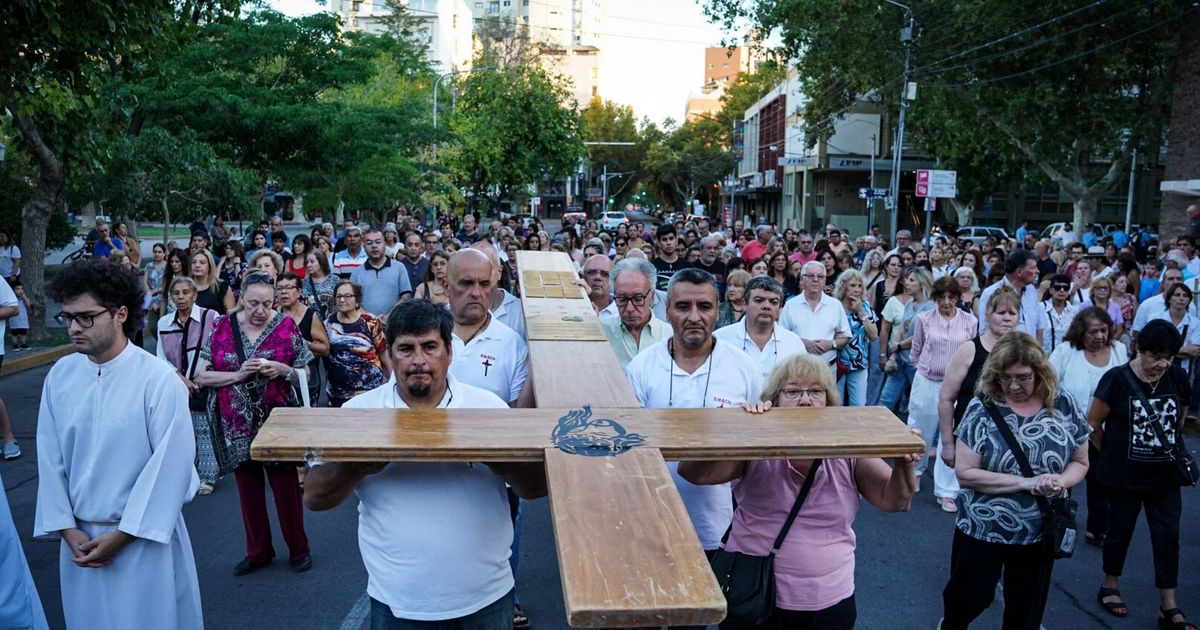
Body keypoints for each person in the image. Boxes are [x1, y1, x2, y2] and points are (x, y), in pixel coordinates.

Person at [303, 300, 546, 629]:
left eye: (430, 346)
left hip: (487, 598)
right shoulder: (358, 412)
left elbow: (533, 488)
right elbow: (315, 498)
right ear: (389, 354)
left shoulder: (488, 408)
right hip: (398, 603)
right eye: (406, 348)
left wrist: (499, 457)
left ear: (449, 351)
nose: (418, 360)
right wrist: (355, 465)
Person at [679, 353, 922, 630]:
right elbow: (694, 474)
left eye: (816, 391)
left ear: (829, 401)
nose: (806, 399)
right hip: (754, 595)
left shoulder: (849, 448)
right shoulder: (755, 444)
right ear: (774, 399)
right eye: (793, 391)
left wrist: (904, 463)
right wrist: (733, 428)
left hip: (829, 600)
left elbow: (895, 500)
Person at [36, 260, 203, 629]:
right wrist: (66, 528)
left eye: (86, 317)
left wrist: (125, 534)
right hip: (79, 541)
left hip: (143, 540)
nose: (74, 328)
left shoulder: (158, 380)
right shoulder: (61, 375)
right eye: (67, 318)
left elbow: (171, 467)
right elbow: (49, 459)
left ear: (120, 313)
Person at [941, 331, 1090, 630]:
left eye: (1022, 377)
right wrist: (1027, 483)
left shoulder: (1062, 403)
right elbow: (966, 473)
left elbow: (1080, 460)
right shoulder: (981, 406)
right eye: (1005, 377)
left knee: (1025, 614)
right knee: (969, 599)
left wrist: (1060, 482)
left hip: (1038, 529)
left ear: (1040, 371)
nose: (1013, 386)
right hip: (984, 526)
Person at [625, 268, 760, 561]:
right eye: (683, 307)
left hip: (719, 528)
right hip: (652, 524)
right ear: (667, 310)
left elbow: (755, 448)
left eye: (705, 306)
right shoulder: (642, 367)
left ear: (717, 310)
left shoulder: (744, 367)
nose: (694, 317)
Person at [193, 272, 313, 575]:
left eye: (267, 303)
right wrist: (238, 375)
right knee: (248, 491)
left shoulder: (285, 325)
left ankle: (299, 548)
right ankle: (258, 551)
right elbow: (202, 375)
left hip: (277, 422)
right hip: (236, 424)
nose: (260, 310)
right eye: (253, 303)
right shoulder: (221, 326)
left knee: (285, 489)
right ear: (240, 297)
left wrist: (282, 369)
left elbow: (306, 372)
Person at [1088, 319, 1194, 630]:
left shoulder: (1176, 378)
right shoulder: (1117, 380)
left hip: (1164, 478)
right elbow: (1093, 423)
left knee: (1167, 537)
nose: (1162, 364)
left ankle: (1168, 604)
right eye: (1155, 356)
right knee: (1118, 532)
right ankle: (1110, 584)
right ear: (1139, 349)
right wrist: (1112, 453)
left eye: (1169, 357)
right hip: (1124, 477)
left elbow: (1179, 421)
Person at [1047, 306, 1125, 546]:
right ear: (1081, 332)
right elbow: (1048, 385)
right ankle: (1056, 522)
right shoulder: (1066, 351)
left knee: (1101, 480)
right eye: (1093, 332)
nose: (1099, 336)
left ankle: (1098, 528)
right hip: (1068, 429)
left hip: (1105, 429)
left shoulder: (1119, 350)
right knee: (1063, 479)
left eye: (1104, 330)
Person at [907, 277, 978, 512]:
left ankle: (947, 490)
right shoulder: (924, 319)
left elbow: (971, 352)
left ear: (958, 298)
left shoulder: (970, 321)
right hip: (927, 381)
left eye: (951, 297)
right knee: (920, 429)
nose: (946, 302)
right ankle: (915, 472)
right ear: (935, 298)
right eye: (942, 297)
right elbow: (916, 351)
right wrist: (927, 370)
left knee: (951, 435)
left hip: (957, 385)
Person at [156, 277, 220, 494]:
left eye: (186, 292)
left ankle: (208, 477)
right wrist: (182, 380)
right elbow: (161, 358)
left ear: (194, 294)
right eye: (176, 293)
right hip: (176, 384)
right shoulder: (164, 323)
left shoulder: (211, 317)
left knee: (204, 429)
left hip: (204, 383)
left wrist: (201, 378)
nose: (181, 297)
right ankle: (186, 475)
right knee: (180, 430)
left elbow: (217, 349)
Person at [443, 249, 530, 406]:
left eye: (484, 284)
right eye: (467, 283)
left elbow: (517, 413)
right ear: (446, 286)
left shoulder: (514, 345)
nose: (476, 293)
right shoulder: (422, 334)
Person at [714, 276, 807, 381]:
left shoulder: (793, 342)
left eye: (773, 302)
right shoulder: (721, 339)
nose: (766, 306)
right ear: (745, 303)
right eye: (759, 300)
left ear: (780, 307)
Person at [325, 280, 390, 407]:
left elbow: (384, 353)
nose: (342, 300)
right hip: (339, 393)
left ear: (357, 301)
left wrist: (392, 382)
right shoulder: (328, 324)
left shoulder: (370, 322)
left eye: (347, 296)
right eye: (338, 296)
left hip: (370, 392)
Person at [877, 267, 934, 410]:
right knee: (885, 402)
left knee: (919, 405)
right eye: (907, 280)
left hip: (918, 365)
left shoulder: (931, 307)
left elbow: (923, 336)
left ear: (921, 284)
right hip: (901, 361)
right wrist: (893, 355)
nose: (906, 283)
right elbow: (902, 330)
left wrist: (900, 345)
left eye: (911, 280)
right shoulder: (909, 303)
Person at [601, 257, 672, 370]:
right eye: (622, 299)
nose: (629, 308)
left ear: (652, 296)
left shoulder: (670, 337)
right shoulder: (601, 331)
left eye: (638, 299)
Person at [780, 261, 851, 369]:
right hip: (798, 368)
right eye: (811, 275)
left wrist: (831, 344)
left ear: (825, 280)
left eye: (820, 276)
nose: (815, 279)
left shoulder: (835, 305)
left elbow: (846, 336)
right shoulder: (790, 305)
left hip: (828, 368)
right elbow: (781, 335)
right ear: (802, 279)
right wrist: (802, 343)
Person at [276, 273, 330, 406]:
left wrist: (302, 342)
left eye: (289, 287)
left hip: (306, 378)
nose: (283, 292)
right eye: (279, 288)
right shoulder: (272, 314)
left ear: (299, 292)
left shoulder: (310, 316)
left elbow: (325, 349)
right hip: (278, 377)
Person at [977, 249, 1045, 344]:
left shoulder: (1031, 290)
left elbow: (1039, 327)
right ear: (1019, 272)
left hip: (1030, 354)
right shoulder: (990, 293)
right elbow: (984, 330)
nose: (1037, 271)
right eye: (1033, 268)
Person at [351, 230, 413, 317]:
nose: (374, 246)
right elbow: (353, 300)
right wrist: (370, 318)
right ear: (363, 246)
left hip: (394, 323)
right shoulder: (357, 273)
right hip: (364, 324)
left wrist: (389, 316)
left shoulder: (399, 267)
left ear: (385, 244)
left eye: (378, 242)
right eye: (369, 243)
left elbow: (406, 296)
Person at [1148, 282, 1200, 373]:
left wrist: (1162, 351)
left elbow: (1195, 351)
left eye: (1185, 295)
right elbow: (1151, 348)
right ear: (1169, 299)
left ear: (1189, 300)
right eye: (1177, 295)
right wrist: (1184, 350)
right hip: (1156, 370)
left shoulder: (1195, 323)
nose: (1181, 298)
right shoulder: (1155, 319)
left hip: (1183, 372)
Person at [1039, 273, 1078, 354]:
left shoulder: (1074, 312)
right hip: (1044, 359)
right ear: (1050, 290)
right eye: (1057, 287)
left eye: (1065, 288)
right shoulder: (1041, 308)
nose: (1062, 290)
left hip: (1067, 358)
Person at [1080, 275, 1125, 340]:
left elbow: (1119, 330)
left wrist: (1109, 343)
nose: (1102, 290)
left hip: (1111, 341)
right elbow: (1079, 326)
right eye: (1099, 288)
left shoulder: (1115, 307)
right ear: (1093, 289)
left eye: (1105, 288)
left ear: (1110, 290)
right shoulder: (1084, 306)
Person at [190, 249, 235, 314]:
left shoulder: (222, 287)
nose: (197, 265)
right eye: (194, 262)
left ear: (210, 266)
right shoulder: (185, 286)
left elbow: (230, 317)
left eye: (202, 262)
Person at [302, 250, 337, 320]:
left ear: (321, 262)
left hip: (332, 323)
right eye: (307, 262)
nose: (308, 265)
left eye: (312, 262)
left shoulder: (335, 280)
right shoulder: (305, 283)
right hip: (312, 324)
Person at [583, 254, 615, 319]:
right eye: (592, 272)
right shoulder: (574, 308)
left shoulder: (620, 313)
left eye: (604, 274)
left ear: (613, 280)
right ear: (583, 277)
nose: (598, 277)